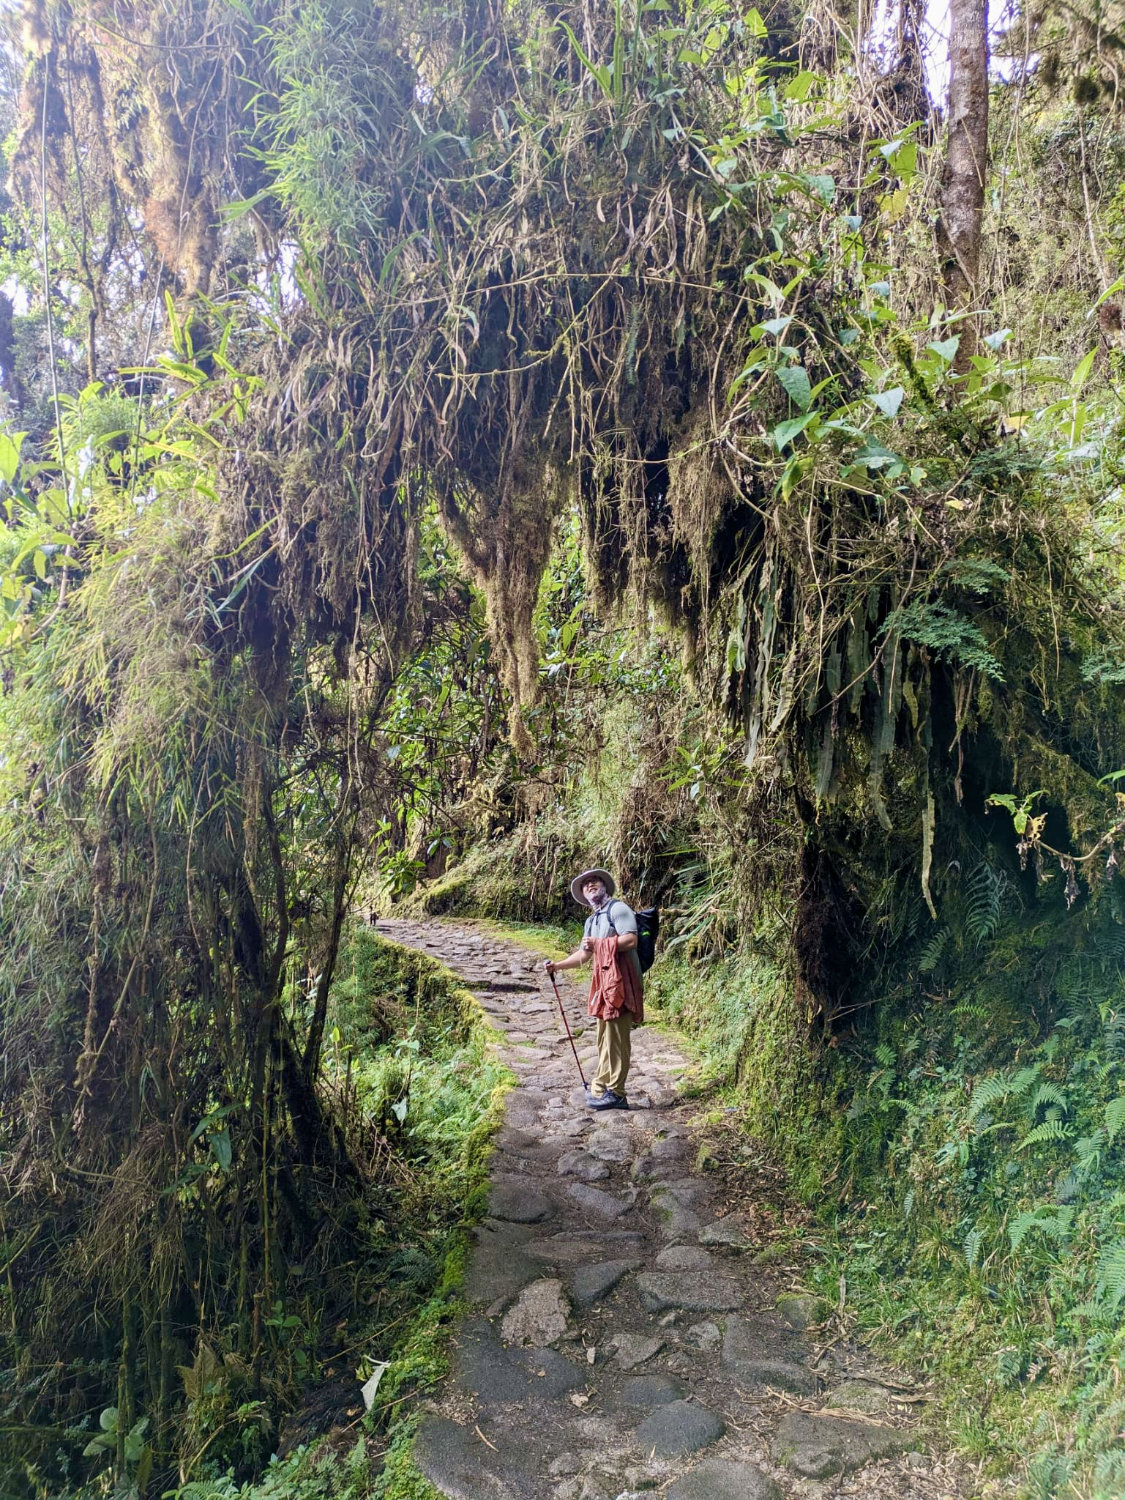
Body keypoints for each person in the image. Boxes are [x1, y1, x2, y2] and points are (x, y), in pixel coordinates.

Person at [544, 868, 643, 1111]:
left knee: (617, 1039)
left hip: (622, 982)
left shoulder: (618, 909)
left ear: (604, 886)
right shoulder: (592, 920)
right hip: (605, 985)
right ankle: (601, 1086)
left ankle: (617, 1093)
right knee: (604, 1039)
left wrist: (599, 944)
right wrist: (557, 966)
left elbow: (631, 940)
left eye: (594, 881)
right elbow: (585, 954)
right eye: (585, 884)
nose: (590, 885)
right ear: (584, 895)